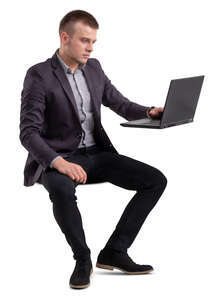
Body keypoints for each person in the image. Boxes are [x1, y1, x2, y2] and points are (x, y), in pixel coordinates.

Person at [19, 10, 167, 289]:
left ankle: (115, 251)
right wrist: (57, 162)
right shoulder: (39, 75)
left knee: (155, 180)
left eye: (93, 42)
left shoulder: (94, 67)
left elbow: (119, 104)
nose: (90, 48)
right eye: (85, 41)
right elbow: (28, 132)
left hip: (96, 154)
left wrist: (150, 111)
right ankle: (82, 259)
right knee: (61, 188)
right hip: (57, 156)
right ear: (65, 38)